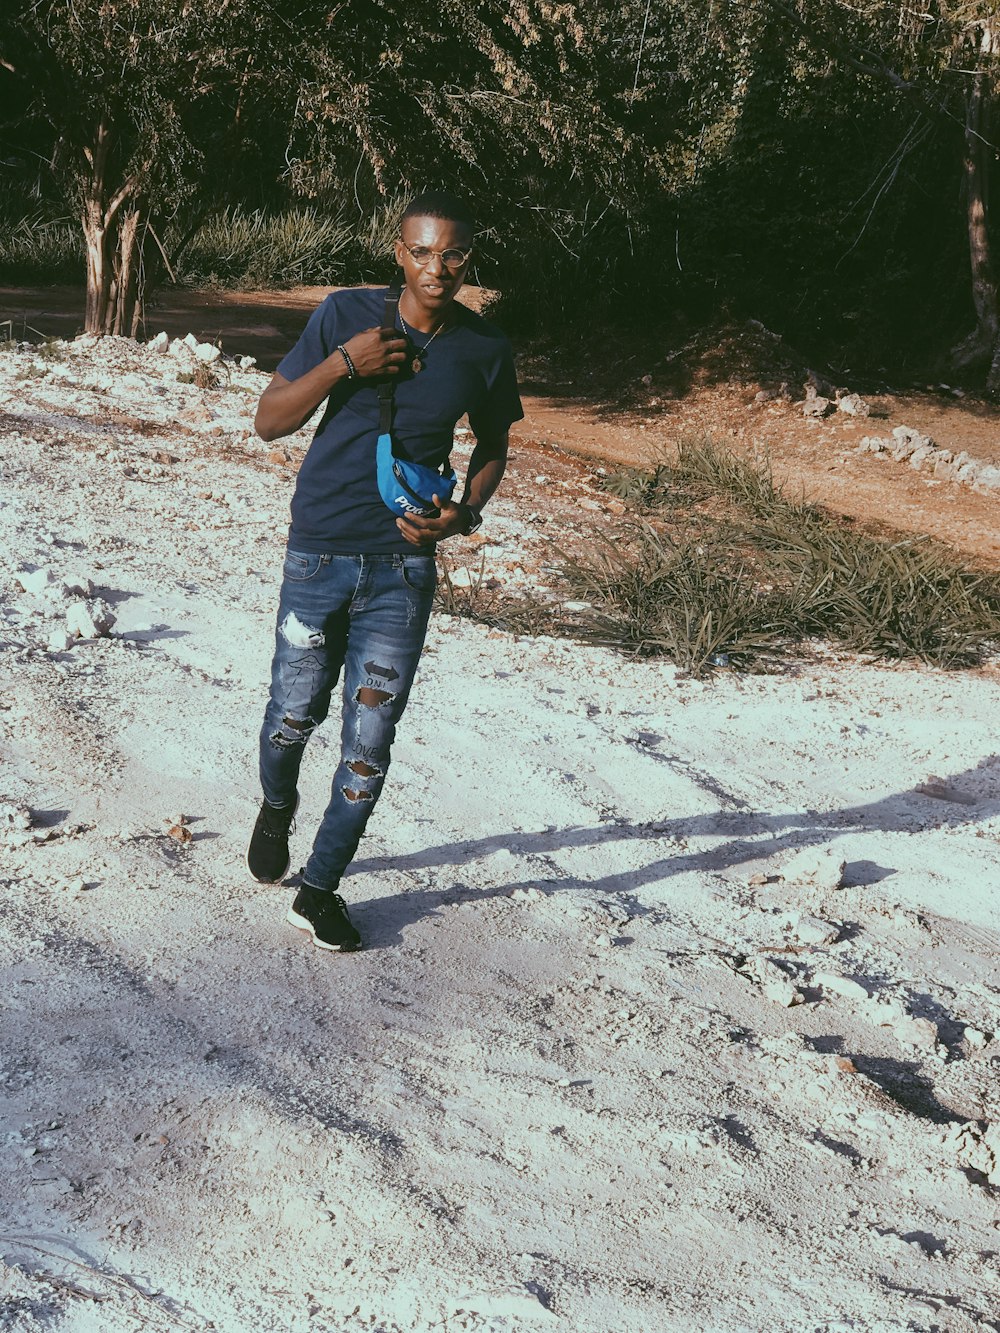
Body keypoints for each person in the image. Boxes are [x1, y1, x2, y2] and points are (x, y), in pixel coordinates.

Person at [247, 190, 523, 952]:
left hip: (403, 568)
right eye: (423, 252)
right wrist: (346, 363)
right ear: (398, 252)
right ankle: (276, 803)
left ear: (471, 258)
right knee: (290, 718)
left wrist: (463, 511)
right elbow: (270, 422)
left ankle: (320, 887)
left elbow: (495, 444)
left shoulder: (483, 347)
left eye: (454, 254)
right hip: (321, 550)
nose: (438, 268)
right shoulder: (344, 315)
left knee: (369, 743)